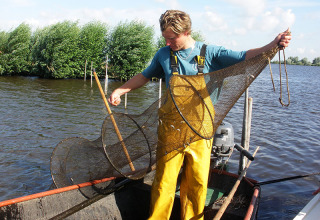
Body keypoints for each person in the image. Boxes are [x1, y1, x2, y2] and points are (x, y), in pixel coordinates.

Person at [108, 10, 291, 220]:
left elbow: (244, 57)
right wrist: (121, 90)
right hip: (171, 129)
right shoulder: (163, 54)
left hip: (201, 130)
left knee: (197, 183)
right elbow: (144, 76)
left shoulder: (211, 53)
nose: (168, 43)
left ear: (186, 32)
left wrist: (273, 44)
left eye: (172, 38)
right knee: (164, 182)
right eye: (165, 38)